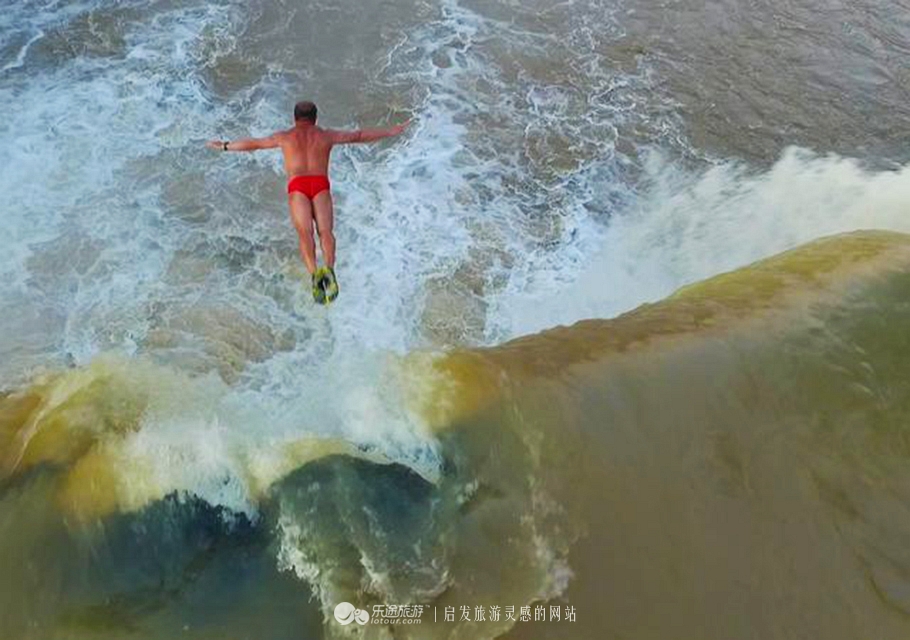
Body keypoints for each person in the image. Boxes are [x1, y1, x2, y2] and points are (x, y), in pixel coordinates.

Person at [206, 101, 409, 303]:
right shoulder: (326, 135)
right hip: (320, 186)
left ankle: (315, 275)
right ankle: (329, 269)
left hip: (298, 187)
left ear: (294, 118)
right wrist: (390, 132)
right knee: (326, 232)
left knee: (305, 233)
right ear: (315, 118)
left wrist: (225, 146)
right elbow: (359, 136)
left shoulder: (285, 137)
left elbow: (255, 144)